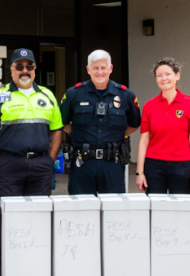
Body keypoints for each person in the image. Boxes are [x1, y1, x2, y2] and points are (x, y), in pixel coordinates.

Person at [0, 48, 63, 276]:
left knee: (37, 218)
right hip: (9, 167)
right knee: (7, 220)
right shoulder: (0, 96)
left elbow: (57, 130)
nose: (24, 71)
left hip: (40, 167)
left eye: (29, 66)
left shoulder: (47, 95)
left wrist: (50, 160)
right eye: (19, 66)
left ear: (35, 69)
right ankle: (2, 268)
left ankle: (34, 266)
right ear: (12, 70)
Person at [60, 49, 141, 195]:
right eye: (95, 68)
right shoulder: (74, 94)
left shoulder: (125, 95)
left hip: (112, 163)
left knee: (113, 210)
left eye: (103, 67)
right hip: (82, 162)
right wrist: (79, 133)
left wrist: (117, 133)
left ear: (110, 68)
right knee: (81, 209)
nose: (99, 72)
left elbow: (134, 124)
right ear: (88, 69)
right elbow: (63, 122)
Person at [136, 57, 190, 194]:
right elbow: (144, 141)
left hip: (181, 164)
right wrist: (139, 173)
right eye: (159, 75)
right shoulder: (149, 105)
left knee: (180, 209)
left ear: (177, 76)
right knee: (155, 208)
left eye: (168, 74)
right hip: (153, 165)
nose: (163, 78)